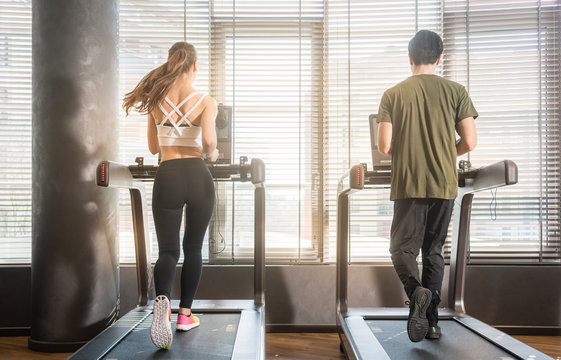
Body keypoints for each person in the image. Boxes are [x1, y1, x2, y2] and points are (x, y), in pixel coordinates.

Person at [376, 30, 478, 342]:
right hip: (443, 183)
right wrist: (448, 152)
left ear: (410, 58)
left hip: (409, 182)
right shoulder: (456, 91)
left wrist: (408, 150)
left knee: (401, 248)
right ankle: (432, 322)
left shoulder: (393, 94)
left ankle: (416, 291)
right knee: (433, 251)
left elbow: (384, 146)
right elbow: (470, 141)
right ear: (439, 58)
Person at [123, 41, 219, 349]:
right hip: (197, 174)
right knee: (193, 249)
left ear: (171, 64)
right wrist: (213, 153)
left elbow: (153, 148)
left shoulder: (156, 101)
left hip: (168, 174)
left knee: (168, 251)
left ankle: (161, 301)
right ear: (194, 66)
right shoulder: (205, 101)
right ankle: (185, 315)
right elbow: (207, 142)